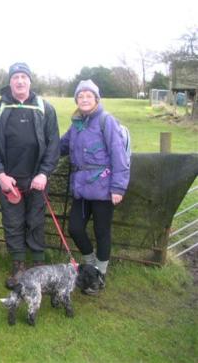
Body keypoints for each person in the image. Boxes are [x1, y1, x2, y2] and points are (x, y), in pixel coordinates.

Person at [0, 62, 60, 289]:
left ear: (30, 81)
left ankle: (37, 267)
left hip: (36, 179)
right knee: (13, 223)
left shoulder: (45, 108)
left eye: (23, 77)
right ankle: (18, 266)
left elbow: (53, 144)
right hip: (10, 181)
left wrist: (44, 173)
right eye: (15, 77)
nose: (19, 81)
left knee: (36, 221)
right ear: (10, 82)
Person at [60, 79, 130, 293]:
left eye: (88, 96)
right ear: (76, 100)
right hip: (81, 189)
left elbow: (119, 154)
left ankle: (99, 276)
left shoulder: (106, 121)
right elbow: (61, 146)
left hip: (103, 188)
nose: (84, 99)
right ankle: (90, 265)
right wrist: (39, 154)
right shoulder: (77, 123)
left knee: (102, 232)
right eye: (80, 96)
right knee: (75, 228)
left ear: (97, 99)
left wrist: (118, 188)